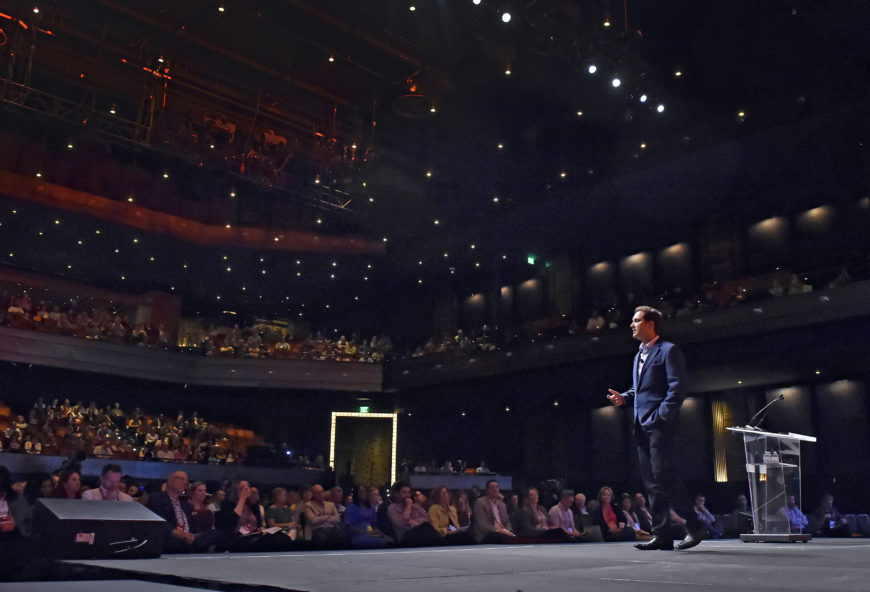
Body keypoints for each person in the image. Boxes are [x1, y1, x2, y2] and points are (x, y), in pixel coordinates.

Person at [607, 306, 707, 551]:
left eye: (636, 320)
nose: (631, 324)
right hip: (641, 426)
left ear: (650, 323)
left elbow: (677, 388)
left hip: (660, 426)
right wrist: (624, 398)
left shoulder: (668, 350)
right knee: (652, 482)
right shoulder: (638, 356)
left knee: (665, 476)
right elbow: (640, 390)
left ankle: (695, 525)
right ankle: (661, 534)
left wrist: (661, 416)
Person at [146, 471, 222, 553]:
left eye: (186, 480)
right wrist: (180, 534)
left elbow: (192, 526)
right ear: (170, 481)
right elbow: (159, 523)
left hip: (189, 537)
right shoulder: (157, 498)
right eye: (181, 479)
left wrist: (193, 536)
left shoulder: (184, 503)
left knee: (217, 533)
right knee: (178, 541)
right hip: (172, 537)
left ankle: (194, 543)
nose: (185, 483)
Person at [344, 483, 389, 548]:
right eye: (361, 491)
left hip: (370, 534)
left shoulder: (371, 507)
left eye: (365, 491)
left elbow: (374, 524)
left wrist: (377, 531)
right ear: (356, 493)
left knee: (389, 540)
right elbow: (349, 528)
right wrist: (365, 532)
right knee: (381, 542)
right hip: (357, 535)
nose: (363, 493)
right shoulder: (351, 507)